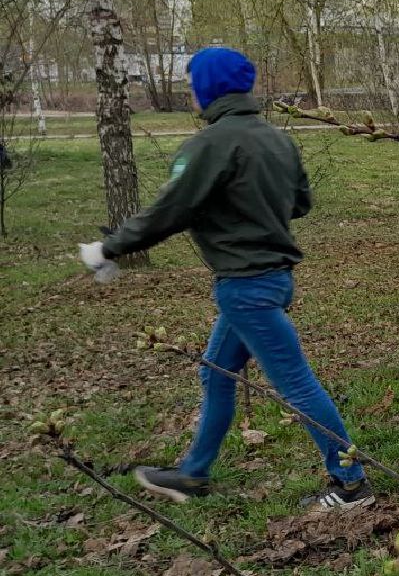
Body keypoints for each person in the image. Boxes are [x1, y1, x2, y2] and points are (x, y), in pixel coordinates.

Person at [78, 47, 372, 511]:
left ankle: (351, 482)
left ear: (208, 87)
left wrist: (109, 247)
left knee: (295, 384)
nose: (190, 92)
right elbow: (299, 204)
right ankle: (193, 474)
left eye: (193, 83)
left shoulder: (210, 145)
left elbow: (170, 210)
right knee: (215, 373)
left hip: (246, 287)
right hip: (271, 279)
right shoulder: (277, 140)